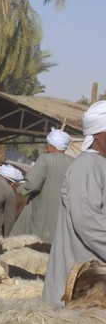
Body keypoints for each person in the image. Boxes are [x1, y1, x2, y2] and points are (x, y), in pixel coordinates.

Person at [41, 101, 106, 304]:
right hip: (84, 276)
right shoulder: (87, 165)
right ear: (97, 134)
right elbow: (87, 220)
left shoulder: (100, 164)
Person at [12, 127, 76, 241]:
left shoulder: (45, 158)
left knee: (35, 240)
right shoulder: (74, 162)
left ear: (51, 145)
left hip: (42, 211)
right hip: (63, 213)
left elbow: (32, 185)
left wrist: (19, 189)